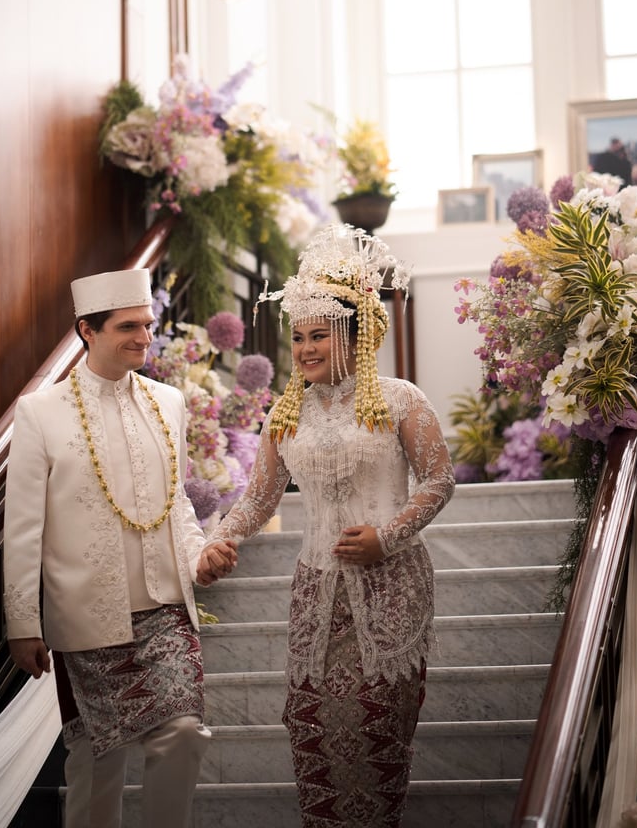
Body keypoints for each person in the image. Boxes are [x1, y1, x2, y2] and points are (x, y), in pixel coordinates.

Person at [198, 224, 456, 827]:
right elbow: (257, 501)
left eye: (319, 335)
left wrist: (386, 536)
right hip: (317, 592)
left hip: (392, 585)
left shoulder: (401, 399)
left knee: (376, 721)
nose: (306, 348)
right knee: (311, 723)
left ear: (357, 337)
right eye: (298, 337)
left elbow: (439, 481)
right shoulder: (285, 415)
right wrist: (219, 539)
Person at [3, 267, 237, 828]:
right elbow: (23, 526)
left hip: (166, 608)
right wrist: (22, 624)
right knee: (96, 758)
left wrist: (199, 556)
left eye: (148, 325)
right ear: (88, 330)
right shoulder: (40, 412)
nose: (144, 337)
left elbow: (176, 503)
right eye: (128, 326)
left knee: (184, 734)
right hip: (87, 616)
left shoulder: (169, 402)